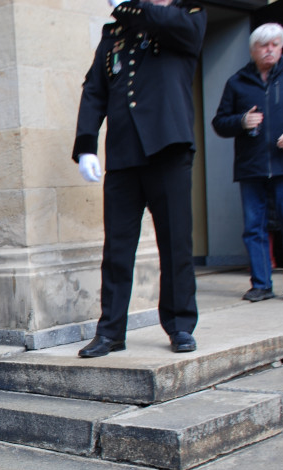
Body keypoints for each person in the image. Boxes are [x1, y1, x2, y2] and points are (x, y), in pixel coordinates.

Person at [72, 0, 205, 357]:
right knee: (116, 249)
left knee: (175, 244)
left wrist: (131, 7)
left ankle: (180, 326)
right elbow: (95, 88)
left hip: (168, 148)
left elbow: (179, 28)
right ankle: (111, 331)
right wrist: (86, 145)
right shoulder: (115, 33)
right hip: (124, 152)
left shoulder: (187, 16)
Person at [212, 22, 283, 303]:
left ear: (281, 46)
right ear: (253, 50)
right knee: (254, 228)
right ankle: (261, 285)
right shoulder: (237, 81)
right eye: (264, 45)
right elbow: (219, 123)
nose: (270, 49)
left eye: (275, 44)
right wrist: (241, 121)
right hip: (252, 166)